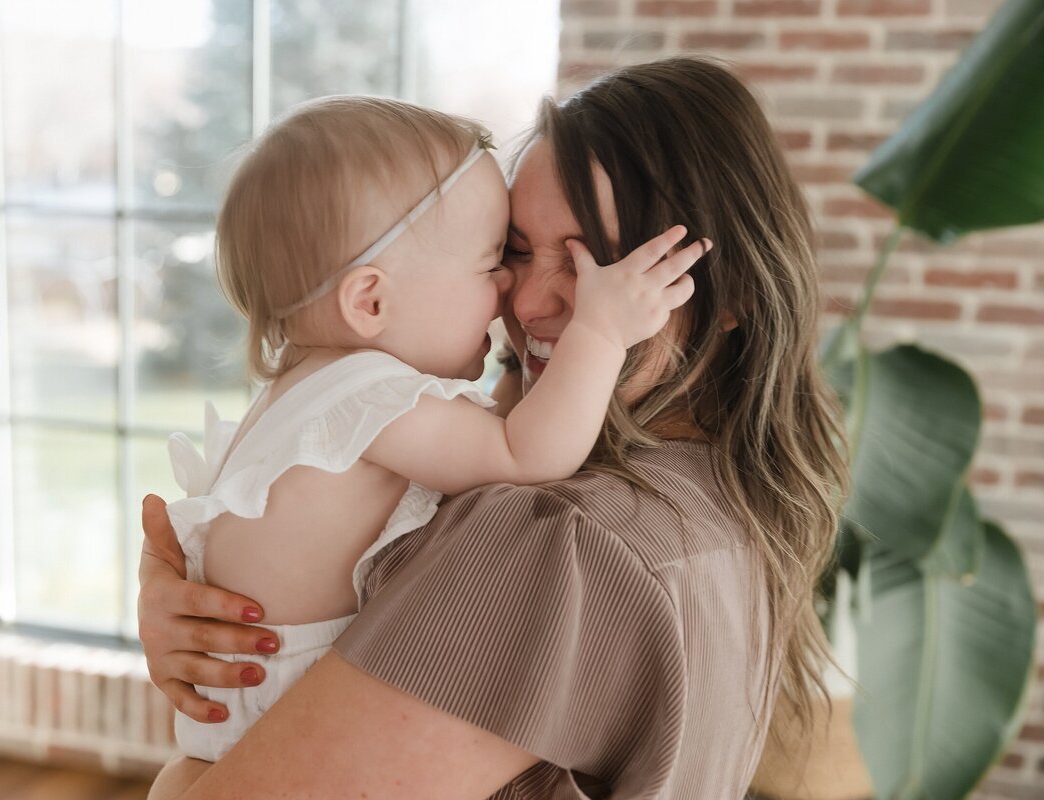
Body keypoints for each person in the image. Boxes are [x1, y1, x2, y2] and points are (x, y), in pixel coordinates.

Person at [138, 55, 850, 799]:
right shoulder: (729, 503)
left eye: (593, 266)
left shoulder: (557, 541)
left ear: (729, 292)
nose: (528, 300)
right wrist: (221, 590)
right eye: (511, 251)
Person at [161, 95, 705, 766]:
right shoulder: (371, 400)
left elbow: (501, 419)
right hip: (283, 700)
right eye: (493, 262)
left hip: (247, 705)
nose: (513, 291)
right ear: (372, 301)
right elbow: (526, 451)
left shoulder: (313, 390)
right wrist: (599, 330)